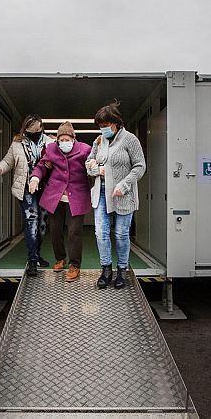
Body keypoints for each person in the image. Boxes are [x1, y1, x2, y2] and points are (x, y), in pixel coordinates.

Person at [86, 100, 146, 289]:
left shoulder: (130, 140)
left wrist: (124, 184)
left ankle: (122, 271)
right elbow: (89, 163)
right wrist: (97, 170)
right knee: (100, 232)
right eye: (100, 126)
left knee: (121, 234)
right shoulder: (99, 141)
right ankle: (106, 269)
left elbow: (140, 166)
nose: (102, 129)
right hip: (101, 192)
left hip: (123, 193)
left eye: (105, 125)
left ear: (116, 123)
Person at [0, 114, 55, 275]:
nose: (36, 132)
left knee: (42, 225)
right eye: (33, 130)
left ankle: (37, 254)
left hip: (45, 188)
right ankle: (32, 260)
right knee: (32, 221)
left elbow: (60, 161)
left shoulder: (50, 142)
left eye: (38, 129)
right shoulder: (17, 144)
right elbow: (8, 161)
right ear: (26, 129)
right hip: (26, 188)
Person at [28, 121, 92, 282]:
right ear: (57, 140)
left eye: (67, 139)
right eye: (61, 140)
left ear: (73, 138)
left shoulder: (85, 150)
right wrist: (35, 178)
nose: (64, 142)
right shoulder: (51, 149)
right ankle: (60, 259)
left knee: (74, 231)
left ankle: (75, 265)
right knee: (55, 230)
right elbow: (41, 166)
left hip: (77, 196)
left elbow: (93, 163)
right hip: (55, 197)